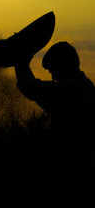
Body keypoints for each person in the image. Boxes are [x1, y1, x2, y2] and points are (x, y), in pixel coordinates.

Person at [15, 41, 95, 187]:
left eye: (52, 70)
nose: (52, 76)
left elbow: (32, 89)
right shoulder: (85, 86)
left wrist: (20, 61)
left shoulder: (72, 90)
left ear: (62, 66)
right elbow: (38, 92)